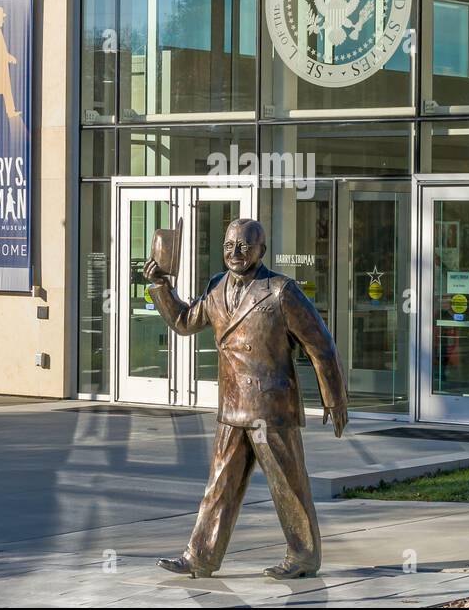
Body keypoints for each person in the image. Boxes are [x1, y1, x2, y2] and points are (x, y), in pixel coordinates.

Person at [143, 217, 348, 580]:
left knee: (288, 484)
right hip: (233, 406)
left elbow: (321, 346)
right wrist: (161, 285)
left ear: (261, 250)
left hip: (272, 407)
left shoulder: (280, 290)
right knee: (220, 483)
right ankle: (200, 556)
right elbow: (185, 321)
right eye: (228, 246)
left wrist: (334, 397)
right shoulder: (216, 287)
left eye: (243, 246)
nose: (235, 253)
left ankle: (304, 556)